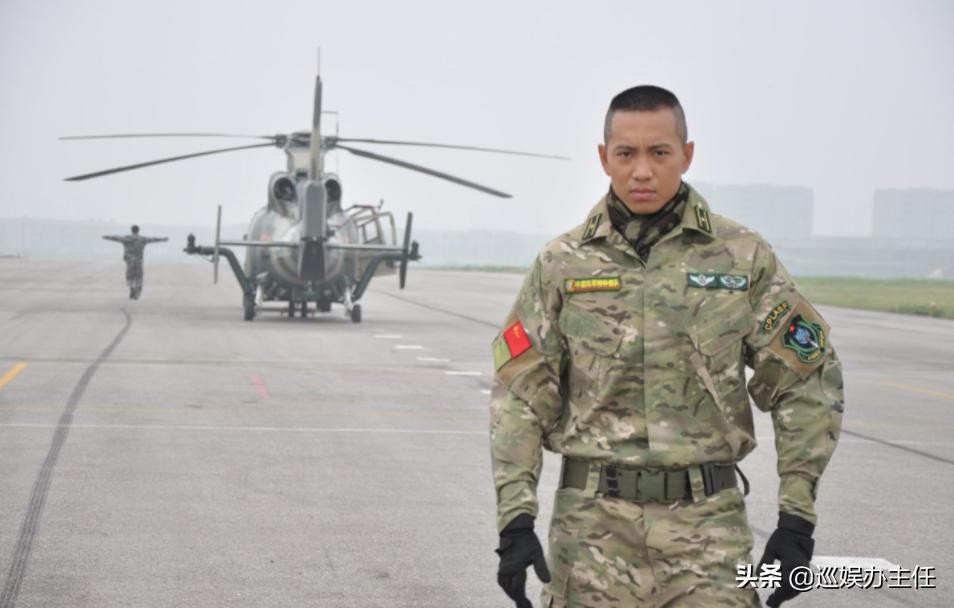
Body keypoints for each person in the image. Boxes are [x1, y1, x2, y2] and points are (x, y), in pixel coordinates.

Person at [490, 85, 844, 608]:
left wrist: (796, 518)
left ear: (687, 154)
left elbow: (805, 381)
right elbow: (520, 395)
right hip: (591, 539)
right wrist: (515, 520)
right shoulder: (562, 263)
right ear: (604, 158)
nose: (642, 171)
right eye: (625, 153)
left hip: (709, 538)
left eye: (659, 152)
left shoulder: (741, 257)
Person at [102, 225, 168, 299]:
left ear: (131, 230)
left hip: (129, 261)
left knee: (129, 277)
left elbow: (115, 238)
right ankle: (137, 294)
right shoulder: (142, 239)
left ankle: (132, 288)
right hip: (138, 261)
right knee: (139, 277)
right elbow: (153, 239)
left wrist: (105, 237)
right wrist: (163, 239)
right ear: (138, 230)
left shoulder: (126, 238)